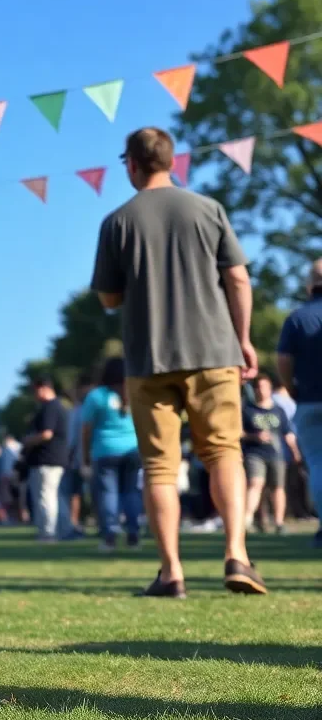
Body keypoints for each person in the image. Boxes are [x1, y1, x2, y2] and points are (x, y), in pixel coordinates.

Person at [92, 126, 264, 598]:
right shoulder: (209, 210)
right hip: (215, 351)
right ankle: (237, 556)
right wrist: (244, 339)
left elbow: (108, 297)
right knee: (224, 452)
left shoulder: (117, 221)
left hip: (149, 358)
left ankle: (172, 573)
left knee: (161, 468)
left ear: (131, 163)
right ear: (171, 160)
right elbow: (238, 279)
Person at [277, 258, 322, 545]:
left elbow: (283, 359)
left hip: (309, 401)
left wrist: (290, 389)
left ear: (309, 285)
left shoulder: (297, 318)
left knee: (317, 464)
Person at [81, 357, 143, 551]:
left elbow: (86, 429)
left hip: (104, 451)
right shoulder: (135, 392)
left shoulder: (97, 396)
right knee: (131, 492)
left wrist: (85, 456)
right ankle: (133, 533)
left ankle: (110, 535)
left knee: (109, 493)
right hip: (133, 449)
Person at [241, 372, 300, 534]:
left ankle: (279, 523)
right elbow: (238, 433)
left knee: (278, 488)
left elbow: (288, 433)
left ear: (270, 389)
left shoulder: (278, 410)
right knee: (256, 483)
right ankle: (247, 519)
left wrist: (295, 452)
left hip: (276, 454)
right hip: (254, 453)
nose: (262, 390)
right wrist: (254, 436)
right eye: (258, 387)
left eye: (265, 387)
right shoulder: (247, 410)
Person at [21, 376, 70, 541]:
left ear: (43, 388)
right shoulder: (58, 406)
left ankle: (48, 533)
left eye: (35, 391)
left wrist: (28, 441)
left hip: (47, 460)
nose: (34, 395)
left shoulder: (50, 407)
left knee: (45, 497)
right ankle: (61, 530)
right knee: (54, 497)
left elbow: (46, 433)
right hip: (54, 460)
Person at [64, 372, 96, 538]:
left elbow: (72, 439)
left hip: (85, 458)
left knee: (76, 493)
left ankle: (76, 524)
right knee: (80, 493)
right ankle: (77, 524)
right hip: (90, 457)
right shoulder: (94, 405)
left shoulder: (78, 410)